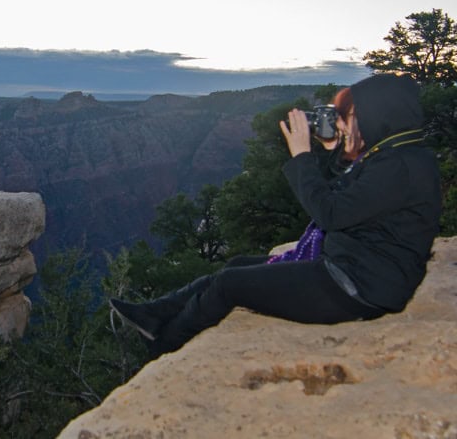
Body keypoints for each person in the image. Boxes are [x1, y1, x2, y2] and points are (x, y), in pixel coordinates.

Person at [110, 73, 441, 358]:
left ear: (377, 115)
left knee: (230, 284)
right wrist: (333, 151)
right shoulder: (395, 156)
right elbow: (346, 195)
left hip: (358, 287)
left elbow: (329, 212)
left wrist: (301, 156)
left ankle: (164, 346)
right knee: (237, 264)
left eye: (347, 114)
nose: (341, 121)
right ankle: (156, 313)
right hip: (355, 270)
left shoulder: (399, 167)